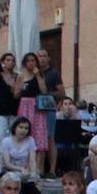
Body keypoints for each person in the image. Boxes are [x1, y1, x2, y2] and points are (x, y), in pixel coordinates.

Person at [0, 117, 46, 194]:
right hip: (9, 171)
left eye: (26, 128)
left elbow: (32, 160)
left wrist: (34, 174)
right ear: (15, 128)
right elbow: (6, 163)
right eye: (21, 127)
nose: (23, 130)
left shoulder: (30, 140)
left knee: (31, 183)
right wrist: (20, 170)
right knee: (21, 183)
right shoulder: (6, 141)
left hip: (25, 172)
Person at [15, 53, 50, 161]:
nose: (31, 63)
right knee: (25, 130)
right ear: (25, 63)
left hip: (37, 106)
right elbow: (16, 95)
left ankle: (39, 168)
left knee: (39, 134)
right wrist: (20, 88)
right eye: (29, 61)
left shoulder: (40, 75)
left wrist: (38, 75)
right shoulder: (20, 77)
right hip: (25, 106)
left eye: (33, 60)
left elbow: (44, 91)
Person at [36, 49, 64, 177]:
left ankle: (52, 170)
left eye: (44, 56)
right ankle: (38, 169)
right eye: (39, 56)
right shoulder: (32, 73)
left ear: (48, 59)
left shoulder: (53, 74)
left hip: (48, 109)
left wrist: (47, 93)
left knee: (50, 138)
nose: (41, 58)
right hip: (35, 109)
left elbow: (62, 93)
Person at [0, 52, 22, 144]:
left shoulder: (17, 76)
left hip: (14, 108)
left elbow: (17, 92)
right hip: (2, 108)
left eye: (13, 60)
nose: (11, 62)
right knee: (0, 135)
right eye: (8, 60)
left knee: (14, 135)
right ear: (3, 62)